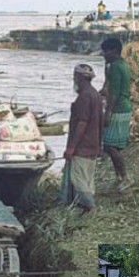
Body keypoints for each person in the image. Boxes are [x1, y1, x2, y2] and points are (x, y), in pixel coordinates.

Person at [61, 64, 103, 213]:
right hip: (93, 144)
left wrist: (71, 147)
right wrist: (99, 145)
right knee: (87, 178)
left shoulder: (84, 97)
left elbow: (82, 122)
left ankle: (91, 207)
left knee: (78, 179)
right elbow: (99, 122)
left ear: (78, 78)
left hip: (83, 146)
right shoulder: (95, 95)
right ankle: (85, 208)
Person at [100, 38, 133, 191]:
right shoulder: (122, 65)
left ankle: (125, 177)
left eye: (106, 51)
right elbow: (109, 87)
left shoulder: (114, 67)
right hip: (124, 107)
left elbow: (114, 94)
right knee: (113, 146)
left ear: (113, 51)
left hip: (118, 109)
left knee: (110, 146)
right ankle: (119, 176)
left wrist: (107, 113)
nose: (103, 54)